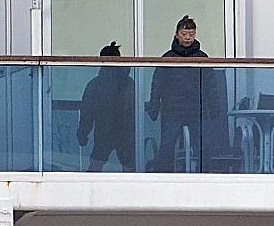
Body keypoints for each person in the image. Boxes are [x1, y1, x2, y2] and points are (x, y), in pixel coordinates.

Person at [145, 15, 228, 172]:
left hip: (196, 109)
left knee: (203, 146)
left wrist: (214, 108)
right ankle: (164, 177)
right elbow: (157, 85)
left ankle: (205, 176)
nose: (188, 37)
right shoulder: (168, 58)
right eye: (184, 34)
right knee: (167, 145)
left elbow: (210, 85)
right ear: (176, 35)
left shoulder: (202, 58)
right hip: (172, 110)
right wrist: (154, 107)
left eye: (191, 34)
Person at [78, 41, 136, 172]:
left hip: (104, 131)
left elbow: (87, 112)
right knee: (130, 169)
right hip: (126, 132)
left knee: (96, 166)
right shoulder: (130, 83)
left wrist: (82, 133)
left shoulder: (96, 84)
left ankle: (91, 185)